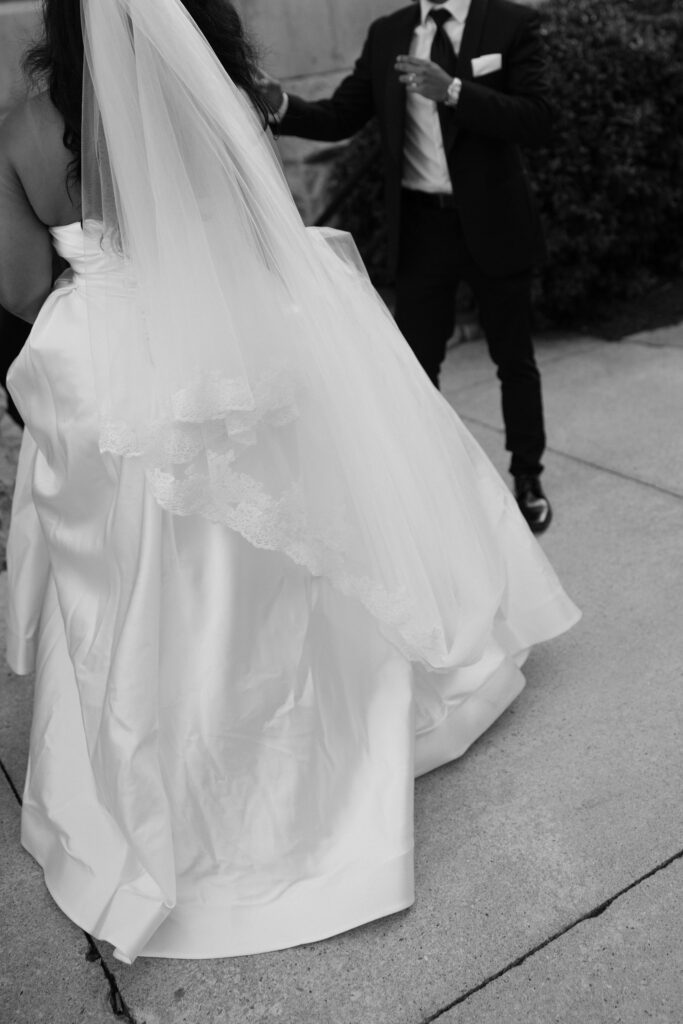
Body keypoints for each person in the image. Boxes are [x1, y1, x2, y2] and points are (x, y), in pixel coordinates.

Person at [0, 0, 579, 964]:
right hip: (225, 361)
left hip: (100, 377)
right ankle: (287, 765)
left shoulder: (21, 129)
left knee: (131, 579)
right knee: (258, 571)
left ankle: (147, 795)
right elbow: (263, 235)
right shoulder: (209, 97)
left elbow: (21, 289)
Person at [261, 0, 554, 533]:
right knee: (416, 369)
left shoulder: (510, 22)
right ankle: (431, 486)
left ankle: (528, 477)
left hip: (495, 222)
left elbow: (537, 118)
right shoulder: (389, 32)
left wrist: (456, 91)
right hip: (423, 230)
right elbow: (341, 117)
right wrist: (281, 104)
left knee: (515, 360)